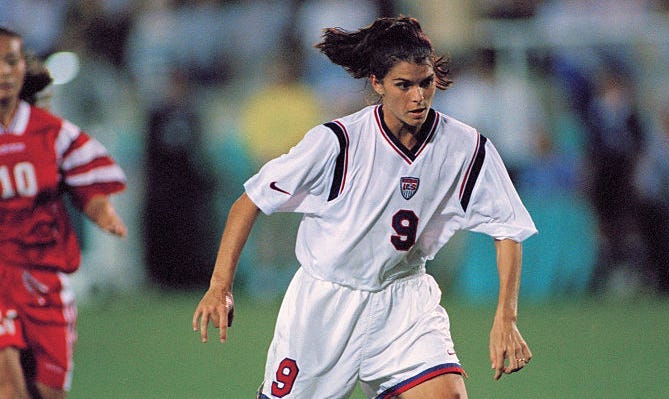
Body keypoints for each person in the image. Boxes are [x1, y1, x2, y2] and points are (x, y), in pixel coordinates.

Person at [193, 16, 537, 399]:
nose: (418, 97)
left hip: (404, 301)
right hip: (325, 308)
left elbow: (507, 228)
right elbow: (250, 201)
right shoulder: (338, 143)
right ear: (377, 84)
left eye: (426, 83)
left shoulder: (465, 147)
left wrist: (506, 316)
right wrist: (220, 285)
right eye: (403, 86)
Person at [0, 27, 127, 399]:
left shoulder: (52, 133)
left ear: (24, 68)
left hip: (42, 278)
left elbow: (86, 181)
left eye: (11, 61)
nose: (4, 72)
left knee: (49, 393)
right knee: (10, 387)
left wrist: (100, 211)